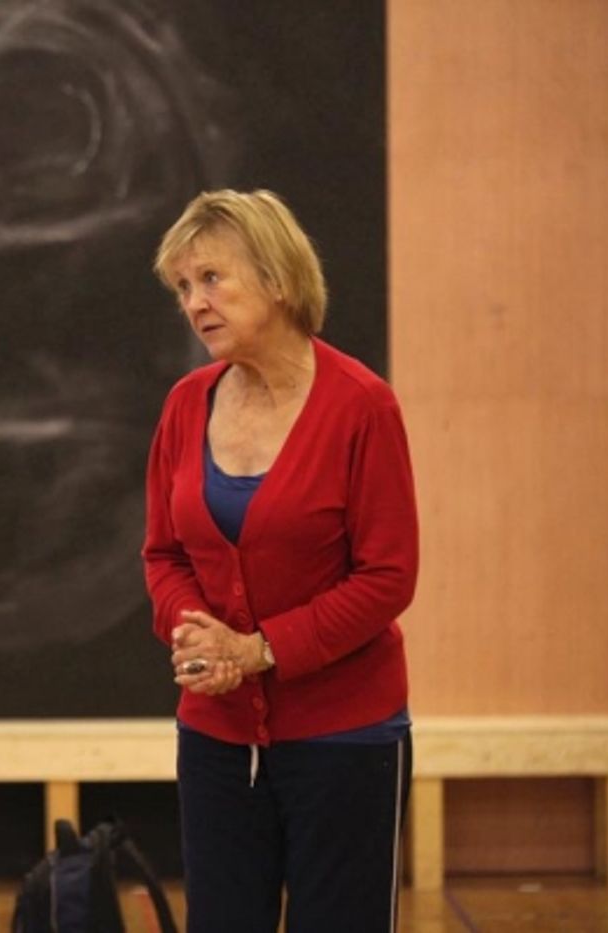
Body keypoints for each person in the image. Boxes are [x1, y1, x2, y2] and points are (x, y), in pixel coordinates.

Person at [142, 189, 418, 932]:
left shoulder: (364, 406)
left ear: (279, 279)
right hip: (217, 737)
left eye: (211, 279)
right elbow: (163, 553)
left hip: (347, 741)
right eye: (182, 288)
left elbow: (389, 577)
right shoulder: (184, 404)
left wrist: (261, 650)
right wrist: (196, 635)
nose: (195, 303)